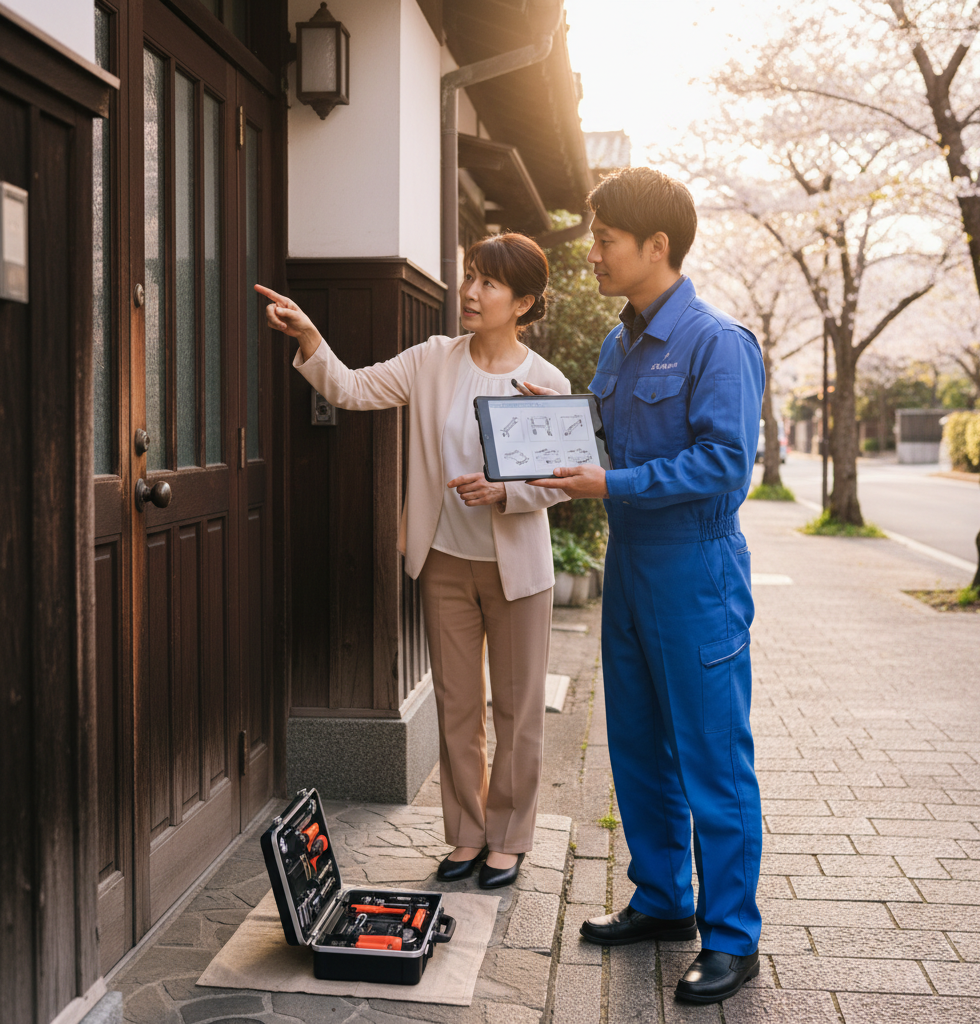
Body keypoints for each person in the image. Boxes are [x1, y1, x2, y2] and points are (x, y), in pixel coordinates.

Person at [255, 232, 569, 890]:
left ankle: (508, 839)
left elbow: (565, 478)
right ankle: (465, 835)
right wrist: (310, 336)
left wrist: (506, 490)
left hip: (518, 574)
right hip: (446, 560)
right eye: (473, 276)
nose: (473, 291)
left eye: (491, 284)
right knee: (457, 705)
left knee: (516, 709)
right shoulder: (433, 359)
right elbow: (351, 388)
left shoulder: (545, 381)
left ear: (524, 303)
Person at [530, 167, 765, 1004]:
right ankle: (664, 899)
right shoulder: (618, 343)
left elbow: (723, 466)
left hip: (695, 569)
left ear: (655, 247)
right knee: (636, 743)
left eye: (604, 240)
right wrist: (543, 426)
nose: (591, 253)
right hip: (630, 567)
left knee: (712, 756)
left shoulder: (716, 342)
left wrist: (609, 487)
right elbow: (597, 434)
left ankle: (733, 937)